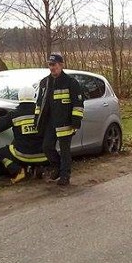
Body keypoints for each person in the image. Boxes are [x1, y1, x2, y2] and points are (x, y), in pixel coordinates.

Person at [35, 53, 84, 186]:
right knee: (47, 147)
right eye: (50, 65)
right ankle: (56, 167)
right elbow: (39, 104)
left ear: (61, 65)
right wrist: (37, 120)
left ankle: (65, 176)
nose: (51, 68)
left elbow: (78, 104)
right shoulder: (44, 82)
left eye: (54, 65)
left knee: (65, 151)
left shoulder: (71, 83)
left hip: (65, 122)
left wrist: (75, 121)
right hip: (50, 122)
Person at [0, 86, 47, 184]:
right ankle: (38, 167)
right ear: (34, 96)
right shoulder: (43, 113)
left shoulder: (14, 114)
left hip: (23, 156)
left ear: (19, 97)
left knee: (2, 152)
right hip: (44, 155)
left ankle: (18, 171)